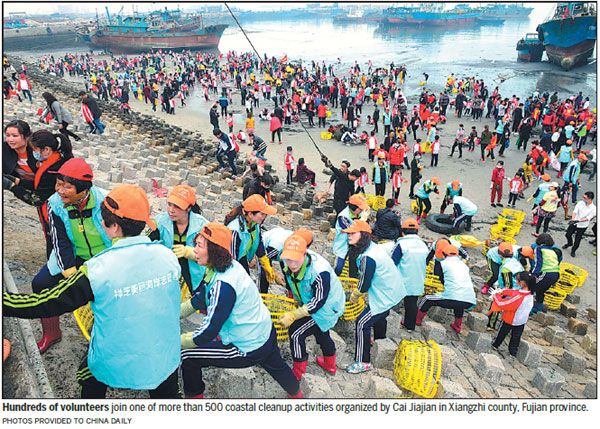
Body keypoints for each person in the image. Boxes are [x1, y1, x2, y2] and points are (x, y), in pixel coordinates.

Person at [4, 184, 182, 398]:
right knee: (168, 395)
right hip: (166, 358)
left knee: (86, 376)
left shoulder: (97, 270)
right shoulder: (168, 257)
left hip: (117, 361)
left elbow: (45, 302)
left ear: (113, 227)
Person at [179, 223, 303, 399]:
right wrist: (180, 311)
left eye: (199, 246)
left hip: (245, 347)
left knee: (188, 356)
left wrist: (179, 341)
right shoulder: (231, 265)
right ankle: (297, 395)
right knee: (277, 366)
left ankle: (194, 400)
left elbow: (208, 332)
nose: (195, 250)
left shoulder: (224, 286)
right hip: (264, 332)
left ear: (214, 251)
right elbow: (203, 296)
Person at [340, 220, 405, 373]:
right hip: (393, 290)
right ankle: (379, 342)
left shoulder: (367, 257)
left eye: (353, 233)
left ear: (363, 235)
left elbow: (364, 283)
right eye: (348, 233)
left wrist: (355, 295)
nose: (349, 236)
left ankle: (363, 361)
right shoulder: (373, 246)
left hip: (385, 295)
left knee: (362, 322)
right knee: (379, 317)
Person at [277, 234, 345, 380]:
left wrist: (294, 315)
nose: (292, 264)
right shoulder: (286, 263)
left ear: (305, 254)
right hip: (313, 302)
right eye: (289, 259)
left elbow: (318, 302)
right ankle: (329, 364)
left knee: (296, 333)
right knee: (322, 332)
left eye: (296, 259)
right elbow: (294, 282)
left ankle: (298, 373)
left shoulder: (320, 272)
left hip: (328, 306)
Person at [4, 130, 73, 256]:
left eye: (35, 150)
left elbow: (37, 199)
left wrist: (12, 187)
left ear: (46, 149)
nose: (34, 153)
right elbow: (39, 185)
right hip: (51, 211)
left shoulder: (53, 170)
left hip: (55, 214)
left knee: (55, 246)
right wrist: (18, 181)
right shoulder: (53, 161)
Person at [149, 185, 208, 297]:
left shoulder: (202, 226)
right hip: (167, 275)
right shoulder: (161, 221)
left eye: (177, 207)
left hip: (193, 276)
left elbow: (211, 255)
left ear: (189, 208)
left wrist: (189, 252)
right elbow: (149, 244)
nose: (171, 210)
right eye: (169, 204)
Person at [224, 194, 282, 293]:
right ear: (250, 214)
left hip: (241, 256)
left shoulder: (256, 224)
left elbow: (259, 243)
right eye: (262, 214)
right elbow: (232, 260)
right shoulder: (235, 230)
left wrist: (266, 264)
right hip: (229, 262)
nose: (265, 217)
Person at [416, 244, 477, 333]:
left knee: (427, 298)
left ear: (444, 255)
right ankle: (457, 325)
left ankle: (417, 320)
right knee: (459, 303)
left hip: (451, 298)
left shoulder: (443, 263)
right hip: (469, 300)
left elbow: (440, 279)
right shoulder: (464, 266)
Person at [390, 218, 427, 331]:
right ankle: (409, 326)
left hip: (402, 280)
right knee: (411, 304)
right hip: (418, 280)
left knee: (393, 301)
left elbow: (392, 262)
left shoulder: (401, 244)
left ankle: (391, 324)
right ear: (417, 231)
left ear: (403, 231)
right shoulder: (424, 245)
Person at [489, 272, 535, 356]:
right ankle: (513, 351)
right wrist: (504, 291)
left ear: (522, 283)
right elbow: (514, 292)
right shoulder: (530, 294)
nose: (516, 282)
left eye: (517, 280)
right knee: (516, 337)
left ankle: (495, 344)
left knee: (502, 333)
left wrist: (496, 295)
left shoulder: (519, 297)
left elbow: (503, 304)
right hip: (522, 321)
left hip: (510, 319)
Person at [486, 242, 525, 330]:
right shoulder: (515, 262)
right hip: (520, 290)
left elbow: (508, 285)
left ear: (499, 254)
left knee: (496, 304)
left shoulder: (506, 268)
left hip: (512, 291)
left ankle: (491, 325)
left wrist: (499, 295)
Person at [332, 194, 370, 274]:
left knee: (354, 267)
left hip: (355, 244)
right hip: (343, 244)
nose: (362, 210)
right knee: (339, 268)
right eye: (360, 208)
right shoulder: (343, 216)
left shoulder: (360, 213)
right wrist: (362, 220)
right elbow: (352, 230)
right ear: (353, 208)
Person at [530, 233, 561, 314]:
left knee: (530, 289)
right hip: (556, 274)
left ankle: (528, 310)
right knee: (541, 291)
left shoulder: (538, 248)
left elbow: (538, 263)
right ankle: (538, 309)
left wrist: (534, 275)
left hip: (547, 273)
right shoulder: (553, 250)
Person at [563, 191, 596, 257]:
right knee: (568, 234)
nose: (583, 199)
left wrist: (578, 221)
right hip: (575, 222)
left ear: (590, 199)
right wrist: (573, 220)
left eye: (585, 198)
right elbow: (575, 211)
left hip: (583, 225)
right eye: (583, 197)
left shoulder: (594, 208)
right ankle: (569, 243)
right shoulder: (580, 203)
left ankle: (573, 250)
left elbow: (588, 218)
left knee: (577, 239)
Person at [3, 120, 36, 184]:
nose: (10, 140)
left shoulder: (37, 152)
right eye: (7, 135)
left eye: (15, 136)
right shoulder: (5, 149)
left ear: (26, 137)